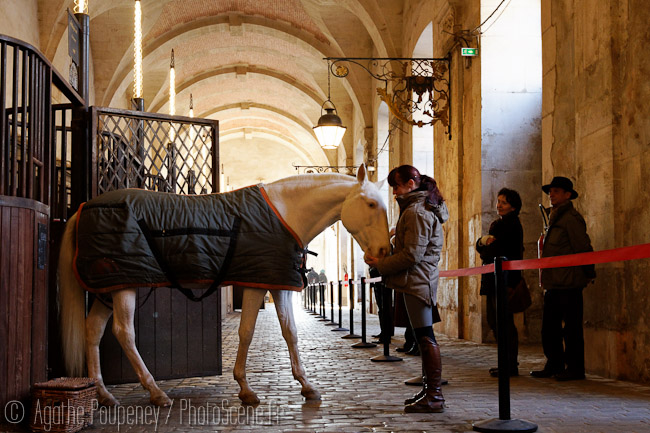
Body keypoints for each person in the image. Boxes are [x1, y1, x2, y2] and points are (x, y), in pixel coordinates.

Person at [364, 165, 448, 413]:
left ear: (412, 184)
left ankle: (434, 395)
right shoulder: (417, 209)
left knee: (425, 336)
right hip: (416, 279)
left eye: (397, 186)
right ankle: (428, 389)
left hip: (417, 279)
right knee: (423, 336)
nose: (394, 192)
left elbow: (412, 255)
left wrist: (381, 264)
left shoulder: (416, 212)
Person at [531, 176, 595, 381]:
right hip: (554, 283)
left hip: (569, 283)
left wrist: (587, 273)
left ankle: (575, 369)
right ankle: (555, 364)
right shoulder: (553, 218)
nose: (551, 194)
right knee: (549, 328)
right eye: (550, 191)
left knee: (572, 330)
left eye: (556, 191)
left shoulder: (571, 218)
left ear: (568, 195)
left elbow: (582, 247)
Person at [476, 188, 524, 377]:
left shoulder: (509, 225)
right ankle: (506, 362)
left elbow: (492, 251)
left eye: (504, 202)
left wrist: (482, 244)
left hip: (505, 279)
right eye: (498, 201)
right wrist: (482, 243)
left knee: (503, 323)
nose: (499, 205)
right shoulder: (500, 224)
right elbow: (485, 248)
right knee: (495, 321)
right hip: (495, 278)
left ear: (513, 206)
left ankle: (510, 364)